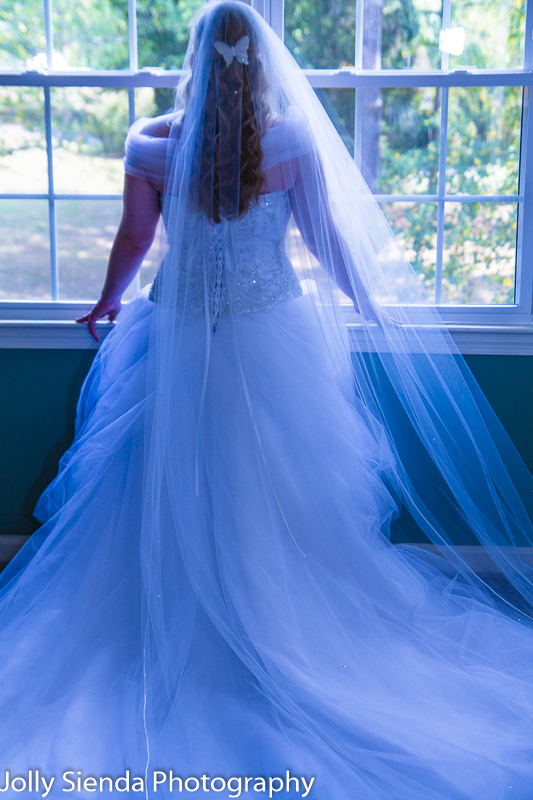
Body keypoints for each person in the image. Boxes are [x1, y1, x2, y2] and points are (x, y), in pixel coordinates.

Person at [2, 1, 533, 797]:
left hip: (175, 335)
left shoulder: (152, 143)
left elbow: (134, 241)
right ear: (262, 62)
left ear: (192, 58)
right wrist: (370, 302)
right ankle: (279, 626)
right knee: (273, 489)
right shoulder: (287, 141)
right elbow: (322, 240)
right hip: (266, 332)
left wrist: (107, 301)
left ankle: (169, 626)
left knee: (164, 482)